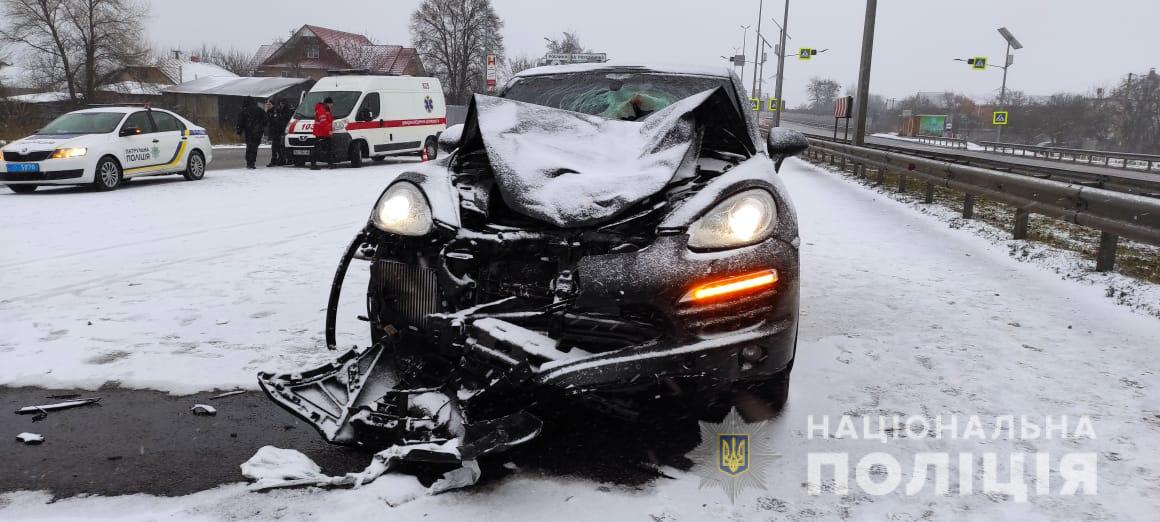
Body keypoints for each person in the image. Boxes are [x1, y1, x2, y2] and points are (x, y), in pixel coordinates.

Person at [235, 96, 267, 169]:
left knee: (249, 146)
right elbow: (265, 120)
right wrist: (261, 126)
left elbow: (240, 121)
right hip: (258, 131)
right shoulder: (260, 110)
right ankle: (252, 162)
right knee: (254, 147)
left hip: (248, 131)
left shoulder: (244, 110)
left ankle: (249, 162)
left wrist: (239, 131)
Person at [311, 97, 335, 170]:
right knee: (318, 149)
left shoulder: (326, 109)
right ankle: (313, 165)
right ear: (327, 103)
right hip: (321, 132)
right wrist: (329, 130)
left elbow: (328, 120)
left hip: (324, 132)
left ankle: (330, 163)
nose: (332, 105)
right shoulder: (321, 109)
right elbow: (323, 121)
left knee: (328, 148)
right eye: (331, 104)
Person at [265, 99, 292, 167]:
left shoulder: (275, 111)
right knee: (276, 147)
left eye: (269, 104)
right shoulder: (269, 111)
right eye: (267, 104)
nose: (268, 105)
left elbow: (276, 121)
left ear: (272, 105)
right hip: (273, 131)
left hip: (277, 132)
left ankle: (276, 160)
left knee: (275, 147)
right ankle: (281, 159)